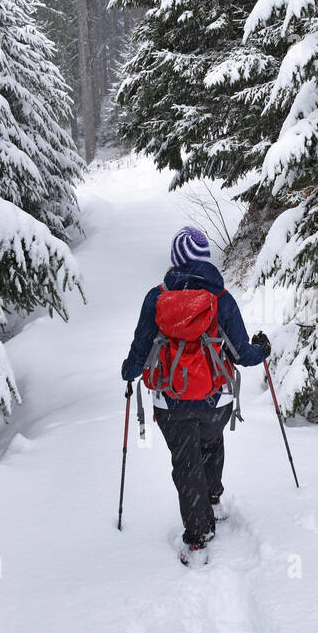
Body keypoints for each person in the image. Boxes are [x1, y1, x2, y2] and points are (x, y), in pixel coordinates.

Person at [121, 226, 270, 565]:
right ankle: (213, 498)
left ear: (175, 260)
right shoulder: (221, 299)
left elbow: (141, 349)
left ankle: (198, 539)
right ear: (205, 259)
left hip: (170, 401)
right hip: (215, 399)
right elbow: (241, 354)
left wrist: (128, 372)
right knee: (211, 444)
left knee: (186, 464)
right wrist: (261, 350)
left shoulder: (156, 298)